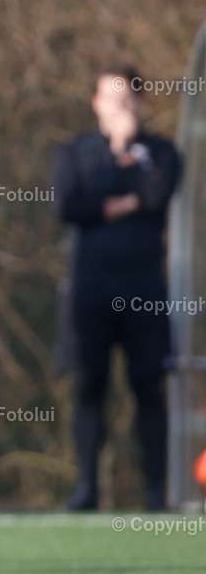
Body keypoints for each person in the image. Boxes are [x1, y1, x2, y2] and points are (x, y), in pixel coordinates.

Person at [55, 65, 180, 511]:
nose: (120, 107)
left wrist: (126, 156)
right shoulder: (76, 152)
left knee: (149, 384)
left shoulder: (163, 151)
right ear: (95, 103)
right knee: (89, 383)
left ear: (141, 103)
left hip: (145, 287)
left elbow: (155, 195)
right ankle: (87, 489)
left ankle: (155, 492)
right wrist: (121, 183)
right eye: (111, 99)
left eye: (127, 99)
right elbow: (70, 205)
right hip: (89, 288)